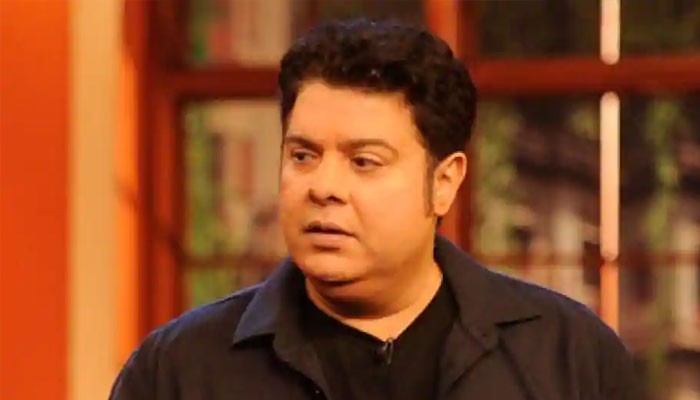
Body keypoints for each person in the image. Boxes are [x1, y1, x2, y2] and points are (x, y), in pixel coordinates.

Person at [110, 19, 639, 400]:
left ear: (444, 182)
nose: (324, 187)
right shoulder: (179, 370)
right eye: (303, 156)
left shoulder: (567, 357)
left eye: (364, 161)